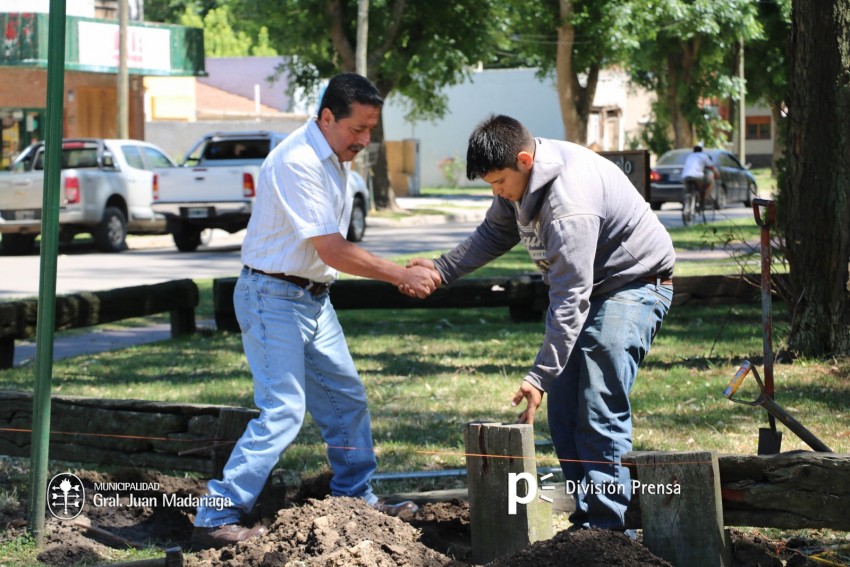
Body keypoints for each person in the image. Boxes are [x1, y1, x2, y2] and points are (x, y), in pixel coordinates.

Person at [192, 73, 439, 550]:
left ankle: (355, 497)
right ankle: (215, 516)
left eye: (372, 130)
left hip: (311, 298)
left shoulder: (334, 155)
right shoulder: (297, 160)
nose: (365, 141)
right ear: (327, 117)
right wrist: (399, 274)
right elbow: (332, 249)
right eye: (358, 130)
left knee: (346, 399)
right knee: (283, 410)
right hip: (271, 296)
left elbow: (328, 253)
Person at [407, 114, 675, 532]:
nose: (497, 193)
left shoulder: (569, 205)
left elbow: (571, 297)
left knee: (596, 399)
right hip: (587, 289)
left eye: (498, 183)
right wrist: (442, 270)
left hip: (633, 285)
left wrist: (538, 375)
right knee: (564, 410)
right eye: (490, 186)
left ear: (524, 160)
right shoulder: (519, 177)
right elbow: (495, 234)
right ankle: (587, 522)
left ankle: (610, 531)